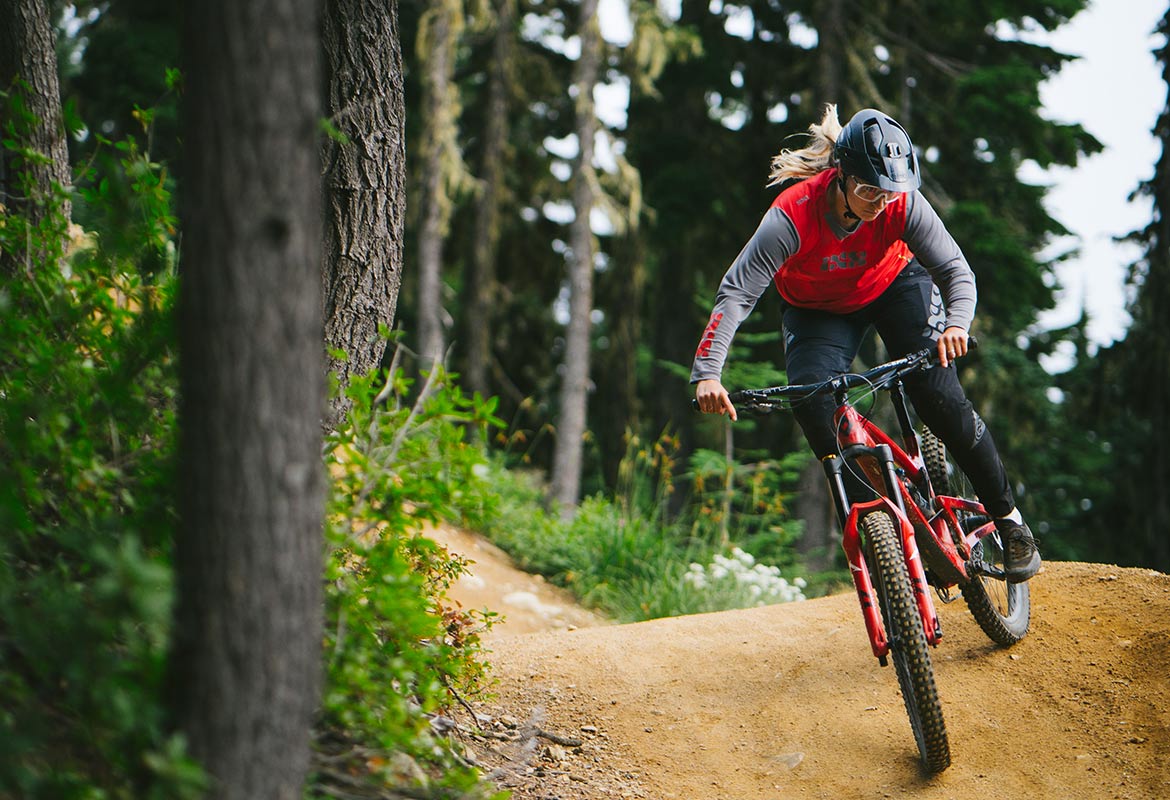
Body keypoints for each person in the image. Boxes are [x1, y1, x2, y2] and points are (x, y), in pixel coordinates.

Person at [691, 104, 1041, 583]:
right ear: (842, 175)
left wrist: (956, 324)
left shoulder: (902, 203)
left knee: (937, 394)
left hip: (896, 286)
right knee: (814, 405)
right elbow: (737, 292)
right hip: (818, 312)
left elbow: (955, 271)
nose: (880, 201)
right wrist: (709, 372)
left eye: (890, 190)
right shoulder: (791, 216)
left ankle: (1010, 523)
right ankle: (891, 537)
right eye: (869, 189)